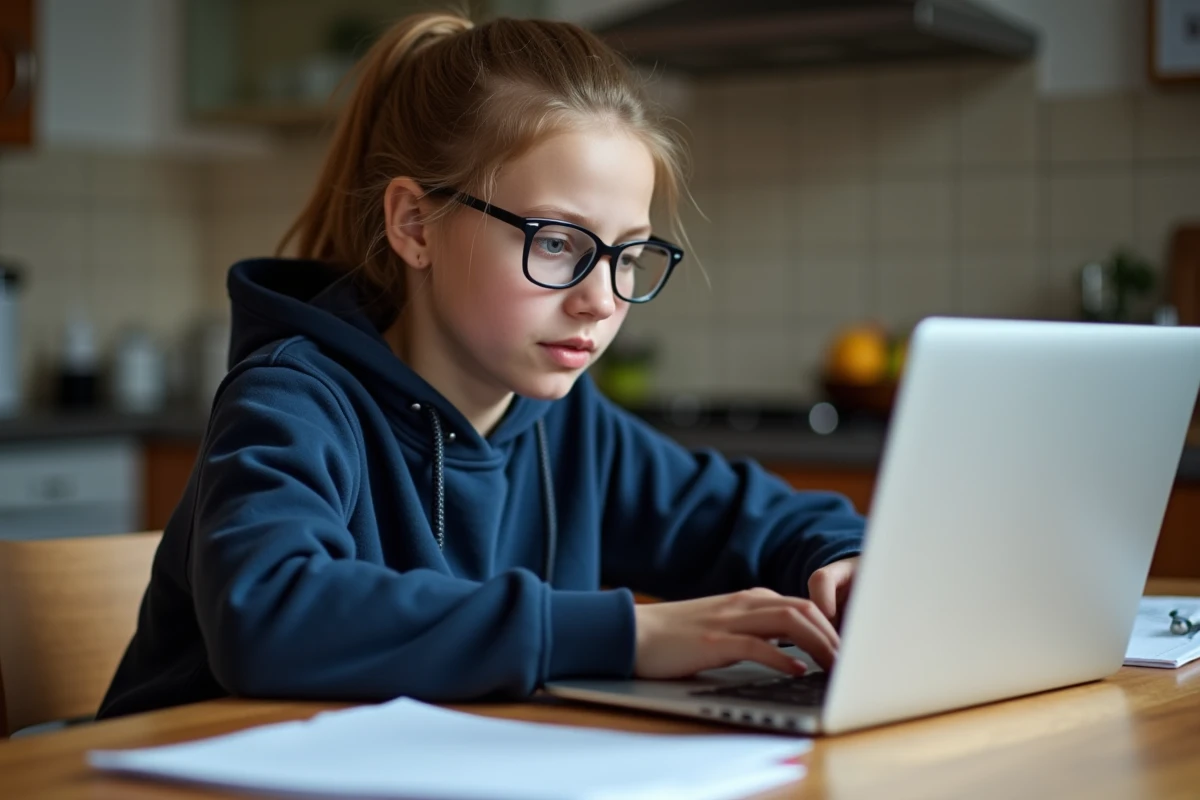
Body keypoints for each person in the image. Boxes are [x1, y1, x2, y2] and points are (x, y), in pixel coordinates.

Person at [97, 11, 865, 720]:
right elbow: (269, 614)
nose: (601, 300)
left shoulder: (567, 425)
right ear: (414, 224)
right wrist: (625, 634)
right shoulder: (292, 400)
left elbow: (751, 519)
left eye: (627, 254)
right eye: (558, 242)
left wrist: (844, 558)